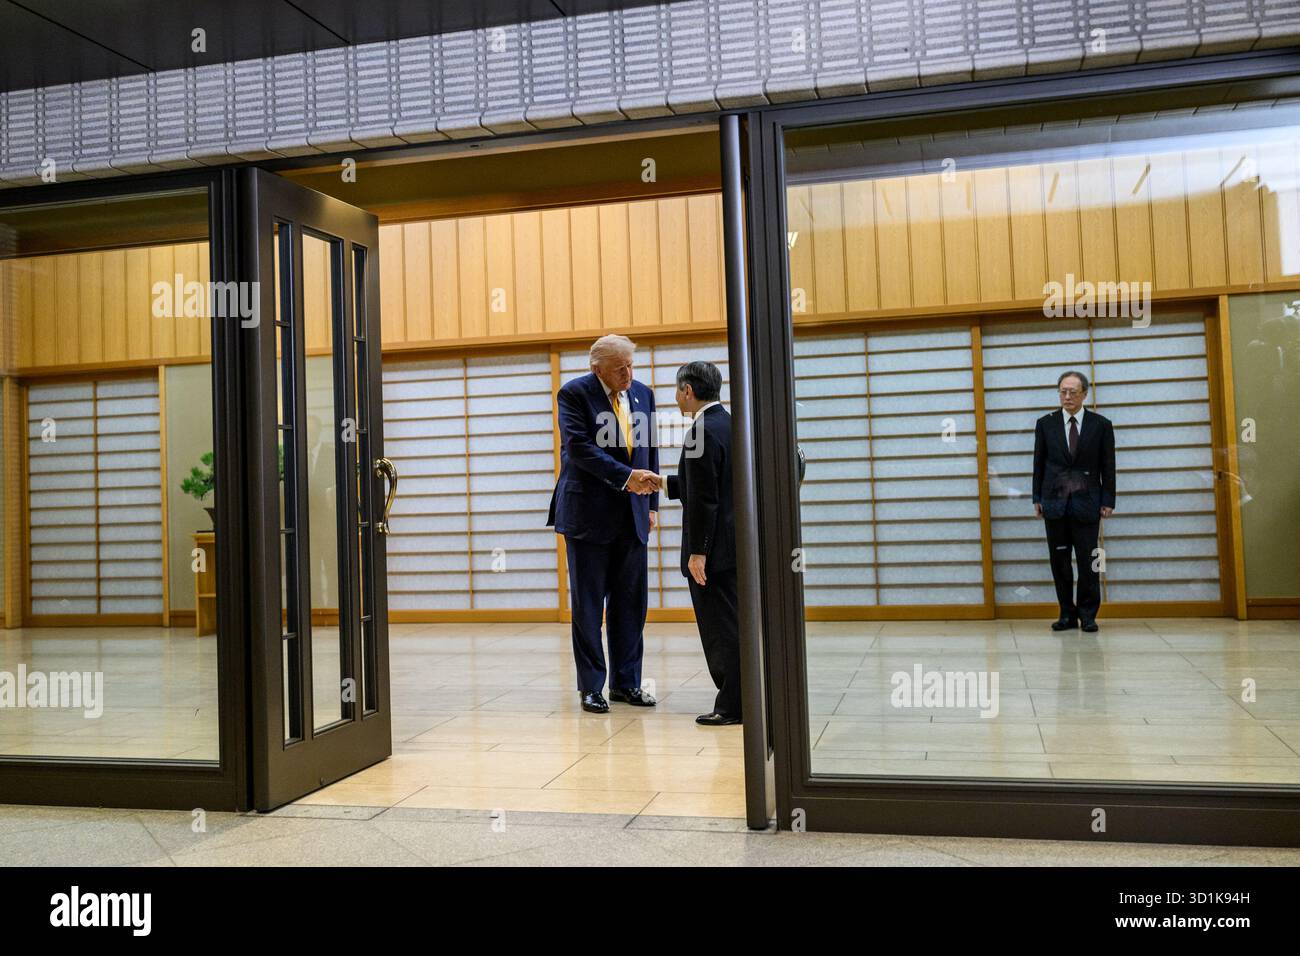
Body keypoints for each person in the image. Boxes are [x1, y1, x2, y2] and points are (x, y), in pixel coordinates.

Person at [547, 334, 660, 713]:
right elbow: (578, 449)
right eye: (618, 369)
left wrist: (653, 503)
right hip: (588, 517)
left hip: (633, 515)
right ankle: (591, 687)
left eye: (630, 365)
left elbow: (650, 451)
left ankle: (626, 684)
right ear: (597, 370)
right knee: (589, 606)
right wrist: (627, 477)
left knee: (631, 604)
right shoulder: (574, 394)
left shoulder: (643, 394)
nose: (627, 374)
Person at [662, 361, 740, 725]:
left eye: (678, 390)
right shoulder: (730, 425)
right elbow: (715, 482)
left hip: (714, 553)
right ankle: (745, 698)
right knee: (735, 624)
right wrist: (662, 483)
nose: (677, 398)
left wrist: (698, 552)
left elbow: (705, 499)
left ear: (688, 391)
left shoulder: (699, 432)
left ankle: (731, 705)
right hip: (735, 545)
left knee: (721, 630)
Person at [1032, 370, 1116, 633]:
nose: (1067, 397)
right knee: (1059, 562)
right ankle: (1066, 613)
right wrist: (1037, 497)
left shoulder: (1101, 425)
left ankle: (1088, 614)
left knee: (1088, 560)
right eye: (1063, 392)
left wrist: (1108, 499)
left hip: (1088, 501)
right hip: (1055, 502)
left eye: (1073, 392)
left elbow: (1108, 466)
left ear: (1084, 394)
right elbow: (1038, 465)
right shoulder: (1045, 423)